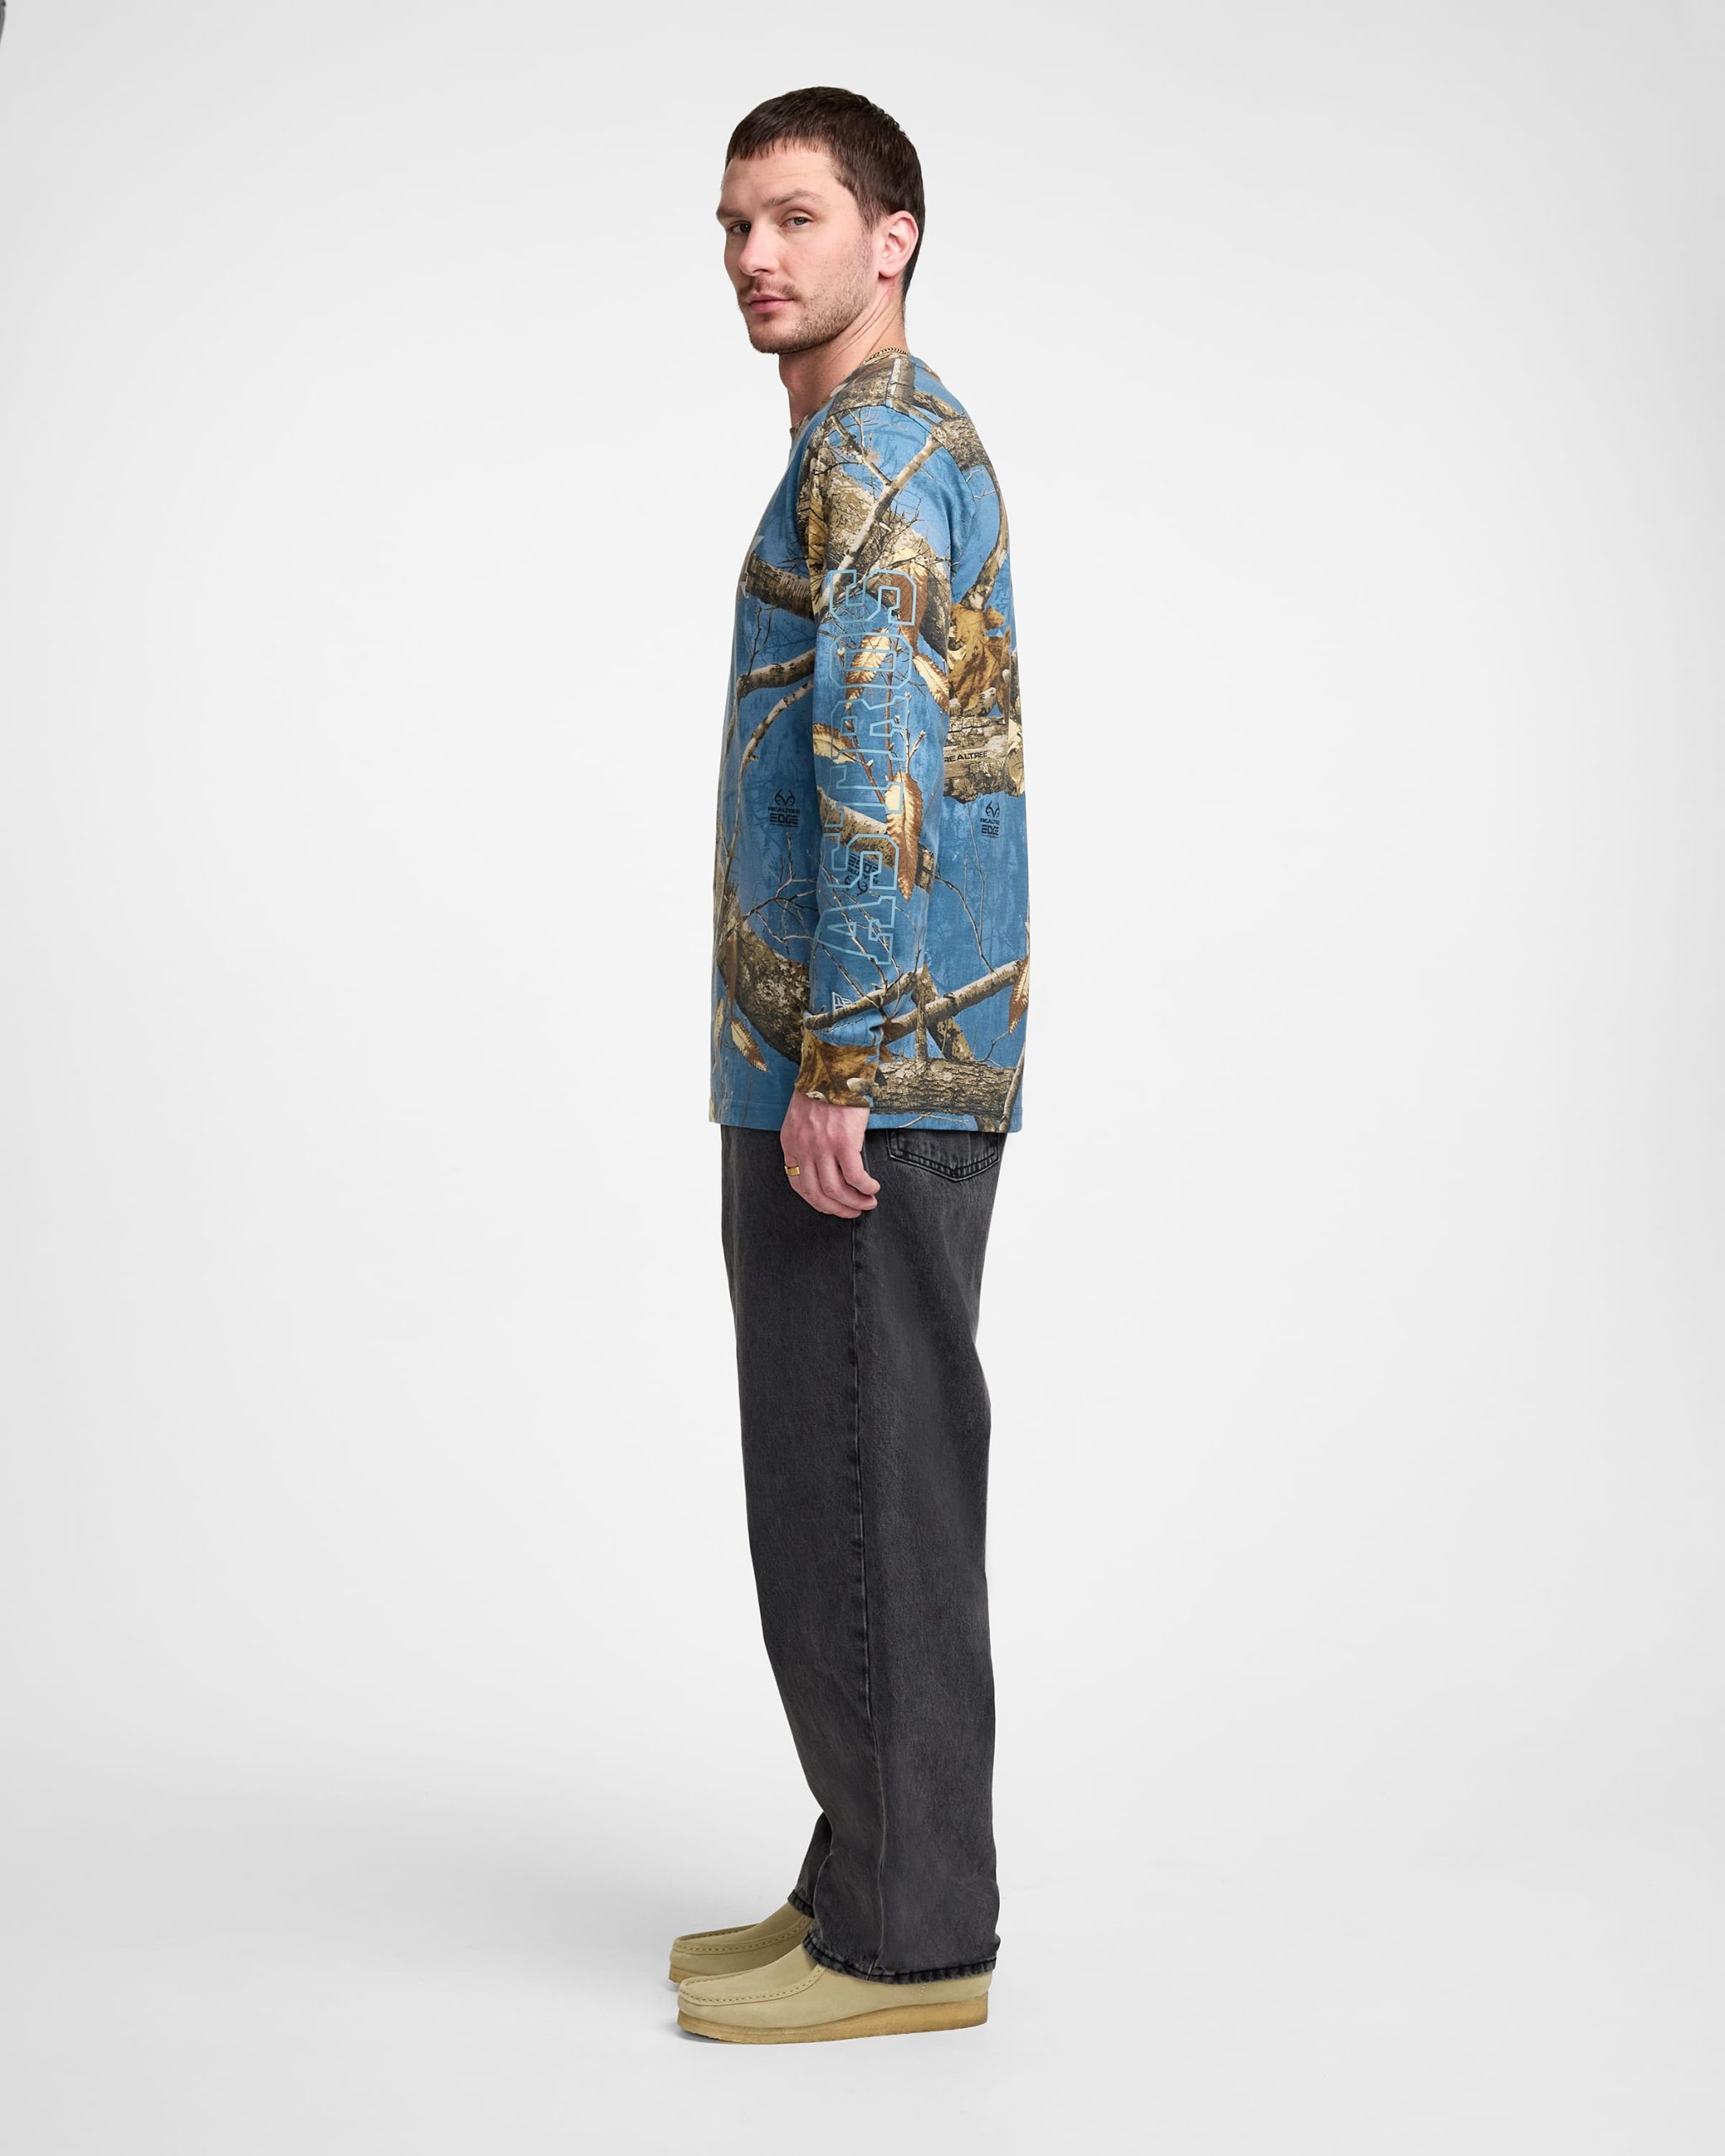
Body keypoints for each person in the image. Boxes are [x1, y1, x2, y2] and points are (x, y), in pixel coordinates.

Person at [677, 84, 1030, 2046]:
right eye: (735, 223)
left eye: (796, 216)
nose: (756, 254)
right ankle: (858, 1867)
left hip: (862, 1073)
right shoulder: (856, 444)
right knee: (833, 1489)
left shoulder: (878, 443)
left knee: (865, 1491)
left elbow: (879, 753)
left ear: (889, 237)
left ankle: (910, 1939)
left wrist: (843, 1059)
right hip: (838, 1055)